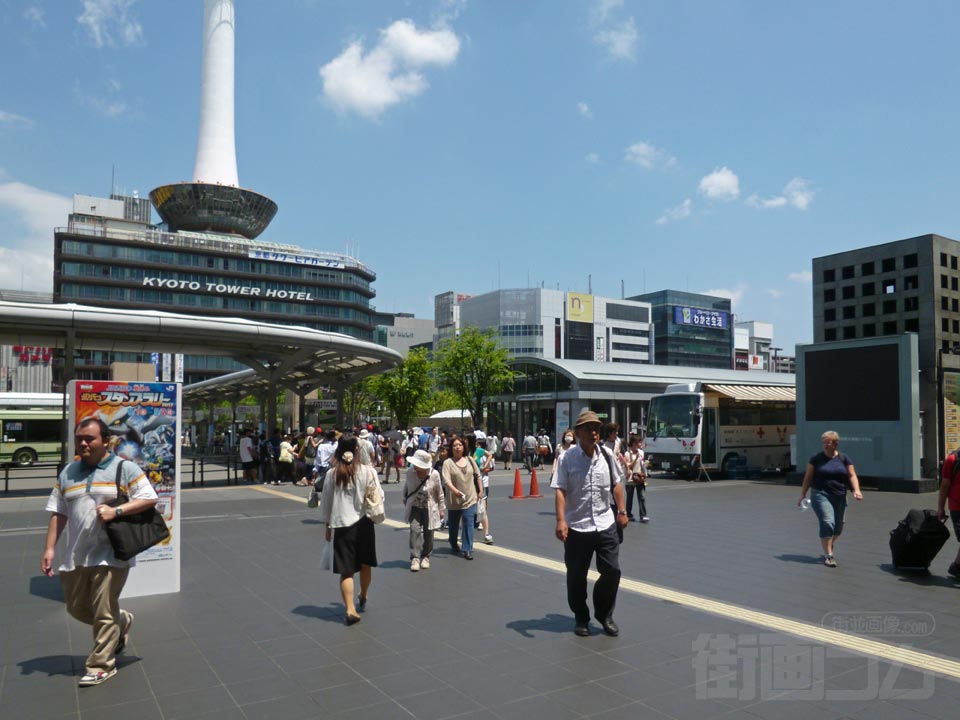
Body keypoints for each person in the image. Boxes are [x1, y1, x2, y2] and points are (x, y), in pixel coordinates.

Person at [41, 417, 159, 686]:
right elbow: (58, 512)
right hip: (77, 553)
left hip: (111, 552)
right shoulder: (68, 472)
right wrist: (49, 549)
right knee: (76, 607)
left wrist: (116, 510)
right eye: (80, 438)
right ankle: (123, 620)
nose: (83, 443)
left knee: (103, 610)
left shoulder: (124, 468)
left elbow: (148, 497)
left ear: (105, 441)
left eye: (89, 438)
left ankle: (101, 665)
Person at [551, 409, 628, 638]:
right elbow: (561, 490)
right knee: (576, 576)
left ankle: (604, 614)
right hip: (577, 527)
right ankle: (581, 617)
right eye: (589, 428)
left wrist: (622, 510)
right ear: (577, 433)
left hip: (605, 524)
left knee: (612, 570)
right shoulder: (567, 458)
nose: (594, 432)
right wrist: (560, 520)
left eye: (596, 428)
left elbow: (616, 484)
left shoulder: (606, 455)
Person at [320, 435, 381, 625]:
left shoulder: (332, 473)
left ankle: (350, 609)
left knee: (346, 571)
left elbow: (327, 502)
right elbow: (380, 496)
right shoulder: (368, 471)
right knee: (365, 564)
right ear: (357, 450)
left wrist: (327, 526)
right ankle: (363, 594)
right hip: (364, 523)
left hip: (341, 525)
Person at [797, 430, 864, 567]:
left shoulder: (844, 458)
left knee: (838, 528)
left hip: (840, 495)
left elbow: (852, 475)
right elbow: (808, 477)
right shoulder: (816, 458)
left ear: (835, 443)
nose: (825, 445)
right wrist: (803, 494)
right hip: (820, 494)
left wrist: (856, 490)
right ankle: (829, 555)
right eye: (824, 443)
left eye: (828, 442)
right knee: (828, 522)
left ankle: (829, 543)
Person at [403, 450, 446, 571]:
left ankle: (426, 555)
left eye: (417, 464)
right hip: (415, 506)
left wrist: (441, 509)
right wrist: (404, 499)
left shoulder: (435, 474)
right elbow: (407, 487)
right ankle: (415, 558)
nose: (415, 466)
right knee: (414, 530)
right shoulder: (410, 473)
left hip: (430, 508)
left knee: (428, 532)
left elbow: (440, 493)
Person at [442, 436, 483, 560]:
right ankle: (453, 542)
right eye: (455, 445)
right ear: (451, 448)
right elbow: (446, 480)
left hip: (470, 498)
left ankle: (467, 549)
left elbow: (478, 475)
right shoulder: (447, 463)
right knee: (453, 525)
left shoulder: (470, 460)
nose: (458, 447)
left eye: (460, 445)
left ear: (464, 447)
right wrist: (455, 491)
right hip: (454, 500)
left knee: (468, 522)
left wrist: (480, 490)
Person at [937, 449, 960, 578]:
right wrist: (941, 508)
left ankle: (957, 566)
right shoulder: (952, 459)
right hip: (957, 507)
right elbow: (945, 485)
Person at [470, 434, 495, 544]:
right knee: (466, 509)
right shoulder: (464, 452)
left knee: (482, 508)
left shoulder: (478, 451)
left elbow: (490, 455)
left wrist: (485, 466)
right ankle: (465, 533)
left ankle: (486, 533)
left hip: (478, 481)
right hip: (466, 483)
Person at [622, 435, 648, 522]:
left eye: (640, 442)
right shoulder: (627, 453)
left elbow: (642, 464)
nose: (640, 444)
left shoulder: (641, 452)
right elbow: (628, 466)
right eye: (638, 442)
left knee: (642, 497)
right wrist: (635, 458)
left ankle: (643, 515)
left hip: (639, 477)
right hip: (630, 479)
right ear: (633, 443)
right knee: (629, 498)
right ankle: (629, 514)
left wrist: (645, 467)